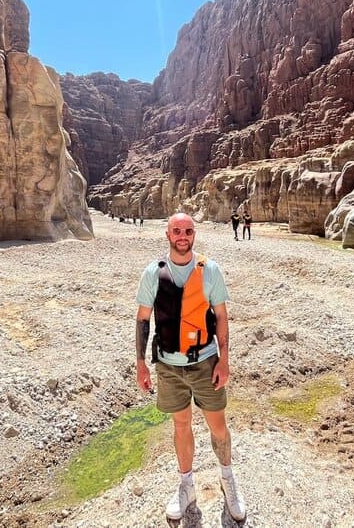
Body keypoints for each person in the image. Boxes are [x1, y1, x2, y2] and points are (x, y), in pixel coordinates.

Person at [135, 213, 246, 524]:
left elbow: (221, 316)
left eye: (187, 231)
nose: (182, 236)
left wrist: (224, 359)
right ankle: (186, 486)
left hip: (205, 362)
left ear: (194, 235)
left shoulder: (209, 270)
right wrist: (141, 363)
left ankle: (228, 480)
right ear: (167, 235)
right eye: (176, 231)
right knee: (181, 426)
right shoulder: (152, 273)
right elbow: (143, 319)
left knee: (218, 426)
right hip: (169, 367)